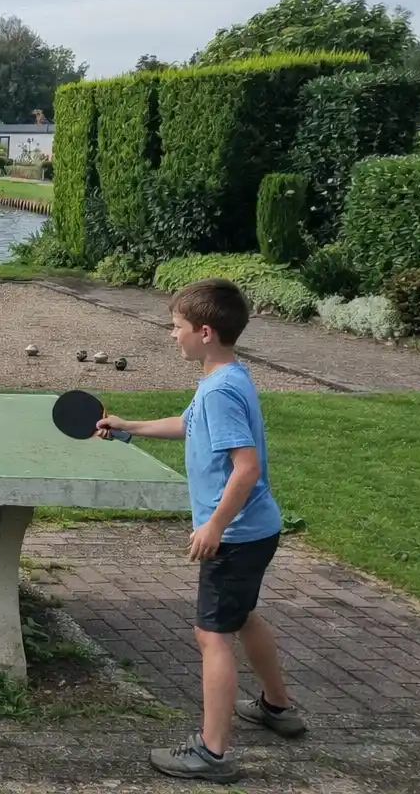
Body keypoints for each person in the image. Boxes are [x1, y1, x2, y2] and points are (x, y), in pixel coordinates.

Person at [96, 278, 304, 782]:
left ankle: (211, 753)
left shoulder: (221, 392)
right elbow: (188, 425)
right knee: (242, 616)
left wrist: (214, 524)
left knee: (211, 634)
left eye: (178, 328)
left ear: (205, 332)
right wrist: (128, 427)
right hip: (257, 530)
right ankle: (277, 708)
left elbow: (246, 467)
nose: (173, 336)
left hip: (236, 535)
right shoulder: (225, 378)